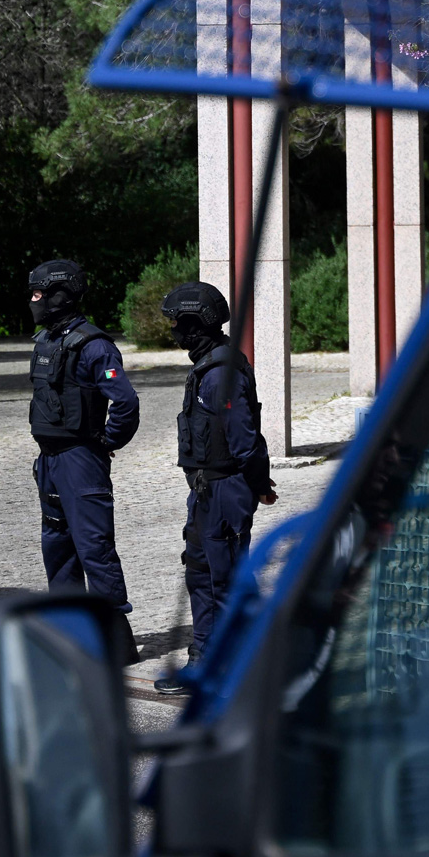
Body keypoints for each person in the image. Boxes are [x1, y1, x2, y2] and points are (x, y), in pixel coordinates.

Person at [155, 281, 277, 695]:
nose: (174, 331)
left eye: (178, 323)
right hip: (206, 490)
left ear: (197, 322)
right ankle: (205, 659)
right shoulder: (208, 365)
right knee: (201, 575)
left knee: (225, 581)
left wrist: (259, 483)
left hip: (227, 489)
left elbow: (243, 440)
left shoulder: (220, 373)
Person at [28, 259, 139, 619]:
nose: (33, 300)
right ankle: (69, 633)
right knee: (57, 547)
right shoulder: (45, 341)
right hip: (49, 460)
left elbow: (124, 401)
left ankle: (114, 638)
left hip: (81, 459)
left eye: (39, 294)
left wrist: (108, 441)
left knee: (95, 547)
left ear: (60, 296)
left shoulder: (95, 346)